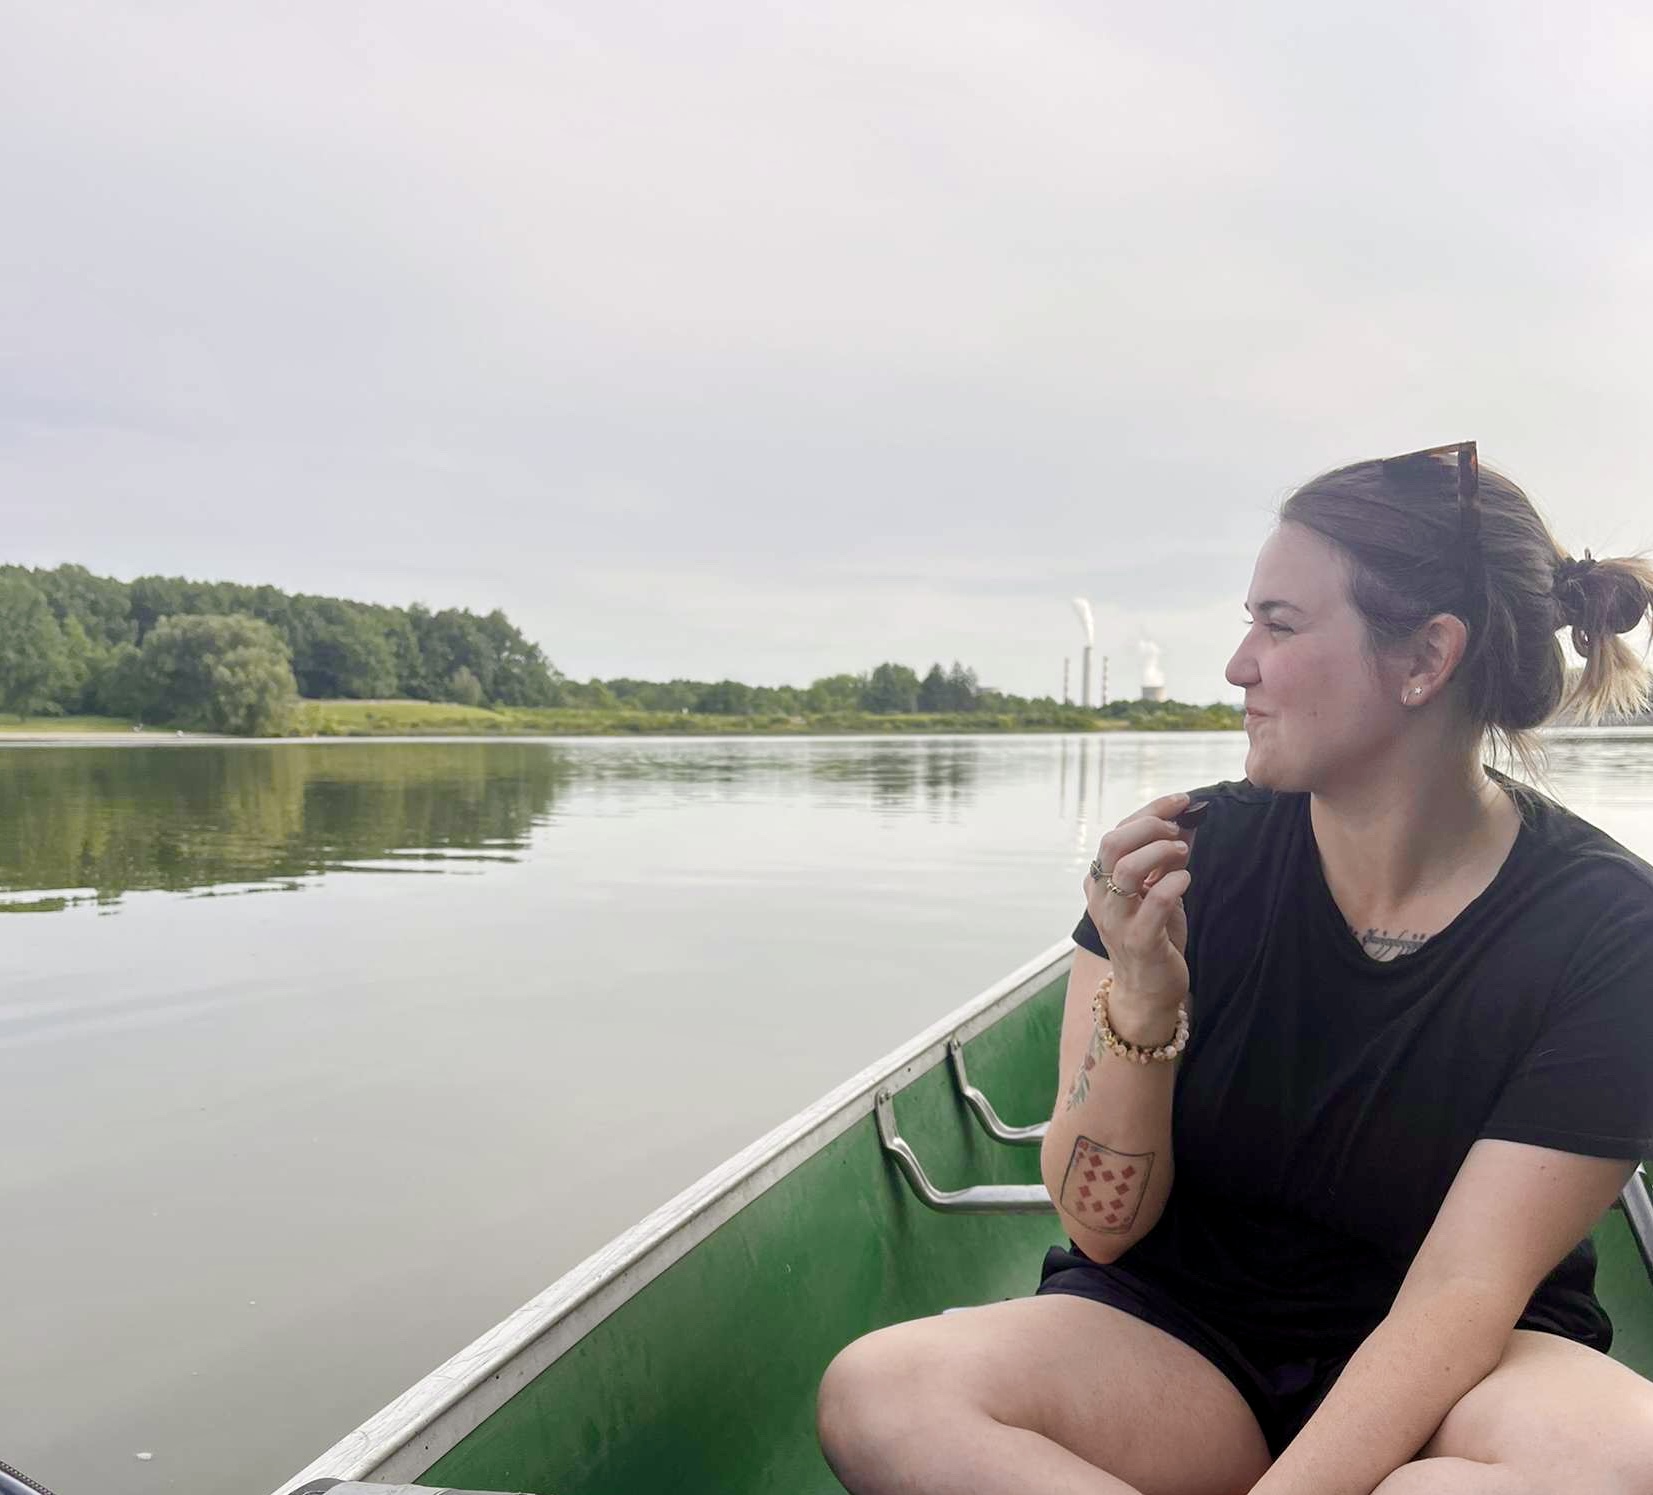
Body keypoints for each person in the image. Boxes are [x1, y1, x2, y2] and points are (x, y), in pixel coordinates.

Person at [816, 442, 1653, 1495]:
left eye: (1280, 623)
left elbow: (1459, 1295)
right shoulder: (1187, 861)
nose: (1238, 664)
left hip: (1462, 1380)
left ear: (1426, 657)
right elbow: (1098, 1228)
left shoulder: (1609, 928)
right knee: (884, 1394)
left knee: (1622, 1457)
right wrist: (1144, 999)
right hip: (1185, 1349)